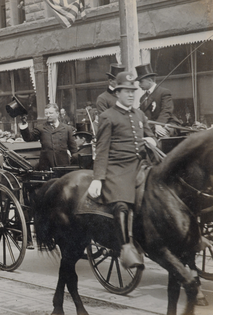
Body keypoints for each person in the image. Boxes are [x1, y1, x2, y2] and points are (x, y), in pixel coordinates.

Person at [87, 71, 157, 269]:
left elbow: (150, 136)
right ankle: (125, 248)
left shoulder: (139, 114)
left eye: (133, 91)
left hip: (140, 166)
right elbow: (101, 149)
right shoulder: (107, 116)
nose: (130, 94)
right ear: (117, 93)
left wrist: (152, 140)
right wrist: (98, 178)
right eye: (126, 91)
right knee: (121, 204)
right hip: (117, 168)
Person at [18, 103, 77, 171]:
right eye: (46, 113)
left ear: (57, 113)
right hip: (46, 167)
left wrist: (75, 165)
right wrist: (24, 123)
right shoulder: (41, 128)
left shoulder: (67, 129)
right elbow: (28, 138)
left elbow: (73, 149)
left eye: (51, 113)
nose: (48, 115)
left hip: (63, 166)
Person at [135, 63, 181, 137]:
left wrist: (159, 124)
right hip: (152, 126)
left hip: (167, 123)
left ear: (149, 80)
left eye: (141, 82)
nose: (139, 85)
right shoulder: (142, 98)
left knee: (162, 134)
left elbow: (166, 111)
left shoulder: (163, 92)